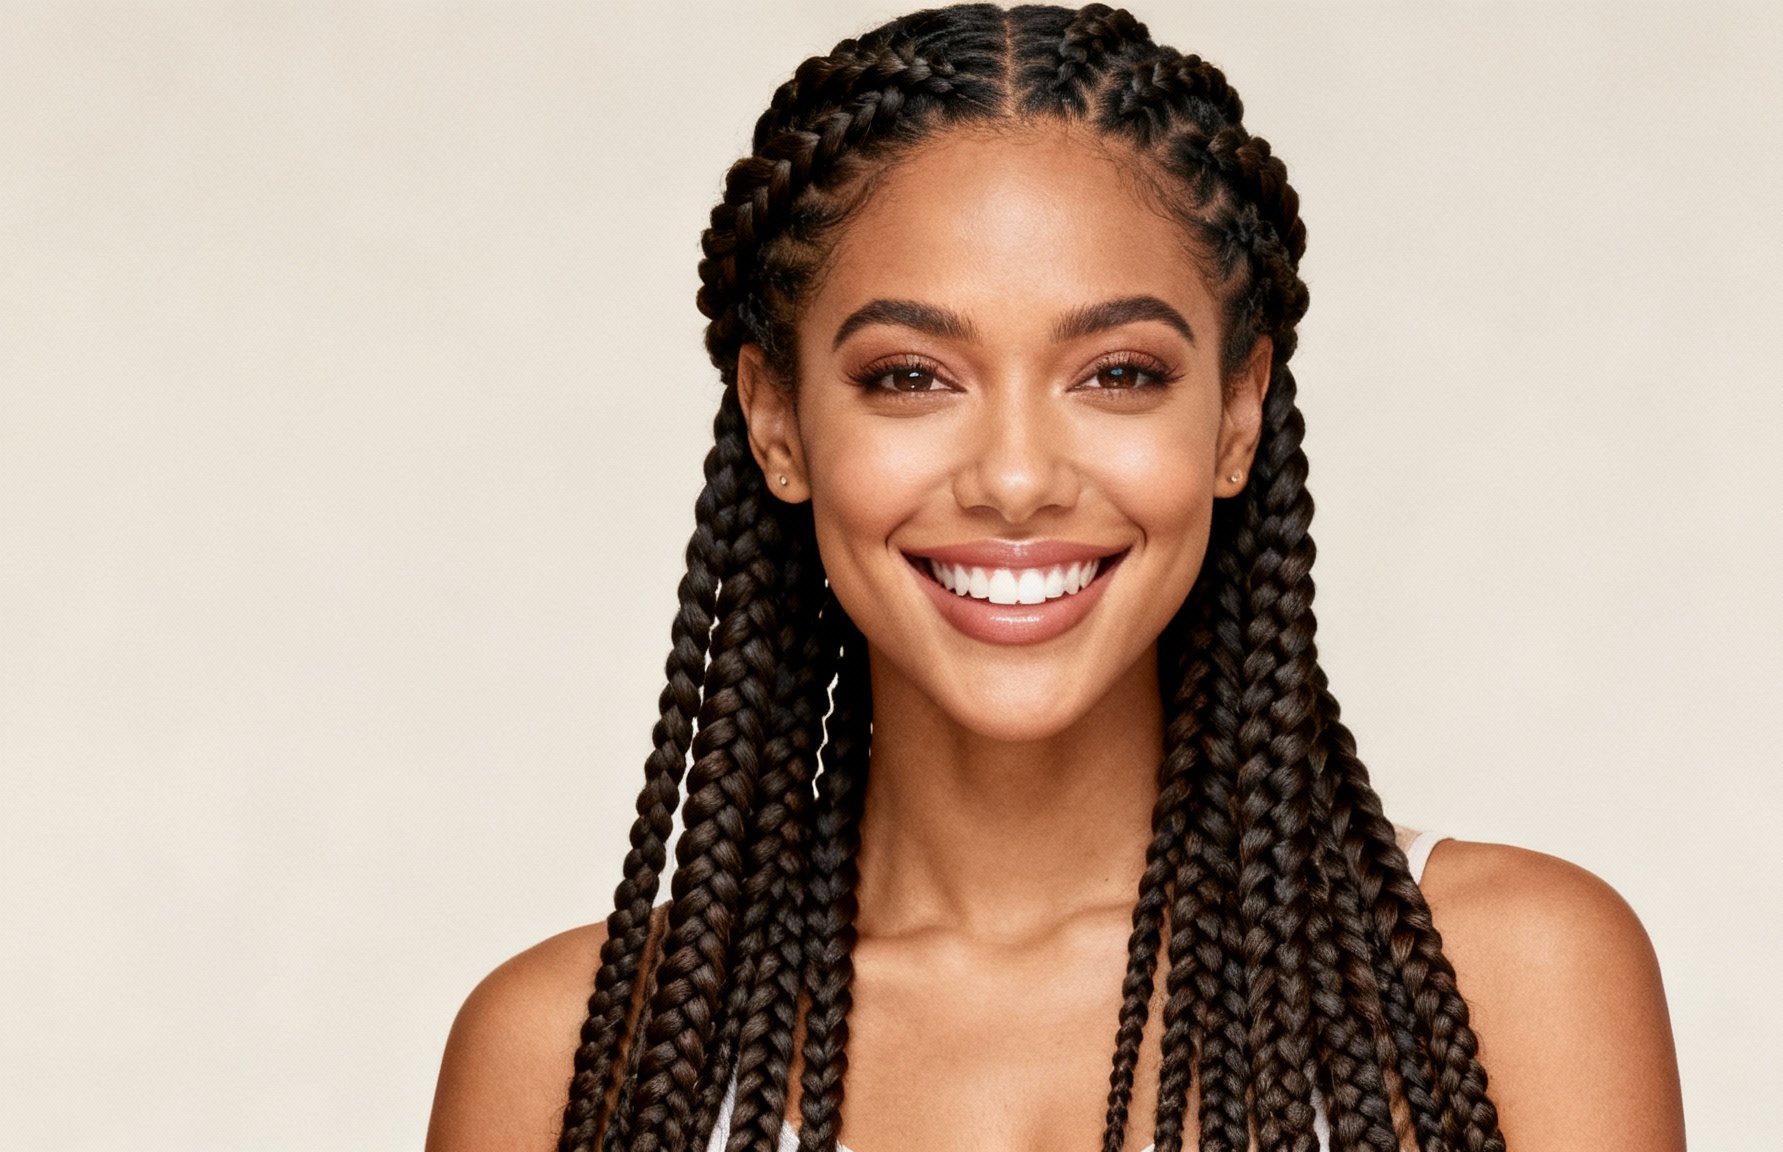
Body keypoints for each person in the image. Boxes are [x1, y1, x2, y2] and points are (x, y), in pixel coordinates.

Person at [424, 5, 1685, 1151]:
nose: (1016, 479)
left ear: (1237, 415)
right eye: (909, 376)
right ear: (778, 422)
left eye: (1117, 372)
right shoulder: (565, 1064)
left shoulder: (1511, 980)